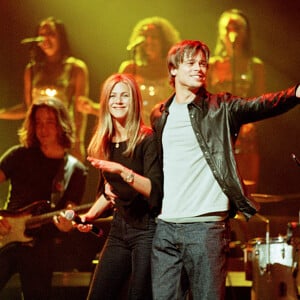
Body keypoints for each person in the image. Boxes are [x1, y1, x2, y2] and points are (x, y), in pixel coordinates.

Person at [150, 39, 300, 300]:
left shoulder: (221, 107)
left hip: (205, 228)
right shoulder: (160, 114)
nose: (200, 68)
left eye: (203, 64)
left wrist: (295, 93)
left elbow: (260, 104)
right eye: (192, 63)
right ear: (173, 69)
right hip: (166, 229)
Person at [76, 73, 163, 299]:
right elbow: (109, 192)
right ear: (105, 102)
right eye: (113, 96)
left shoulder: (147, 139)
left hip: (146, 230)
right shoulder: (103, 142)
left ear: (134, 100)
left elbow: (155, 190)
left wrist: (122, 171)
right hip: (119, 230)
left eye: (125, 95)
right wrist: (89, 217)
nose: (118, 101)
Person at [0, 96, 88, 299]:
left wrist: (67, 224)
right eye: (38, 122)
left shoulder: (75, 169)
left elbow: (69, 210)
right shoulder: (19, 154)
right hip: (6, 239)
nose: (43, 128)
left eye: (50, 122)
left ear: (62, 125)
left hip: (41, 246)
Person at [0, 16, 89, 161]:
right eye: (41, 35)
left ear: (61, 37)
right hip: (37, 139)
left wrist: (78, 143)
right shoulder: (32, 69)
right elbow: (27, 108)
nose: (45, 39)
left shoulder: (76, 68)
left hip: (62, 138)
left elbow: (80, 112)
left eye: (51, 34)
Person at [78, 16, 180, 125]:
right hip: (137, 133)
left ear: (164, 41)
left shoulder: (175, 69)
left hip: (164, 132)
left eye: (154, 37)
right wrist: (92, 108)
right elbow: (117, 106)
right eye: (145, 37)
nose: (149, 41)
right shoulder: (130, 69)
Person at [207, 9, 266, 194]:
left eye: (238, 27)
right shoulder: (211, 65)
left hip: (245, 131)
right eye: (228, 27)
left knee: (246, 184)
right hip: (218, 130)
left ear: (246, 32)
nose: (232, 32)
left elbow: (261, 99)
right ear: (221, 32)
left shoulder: (254, 65)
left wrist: (251, 122)